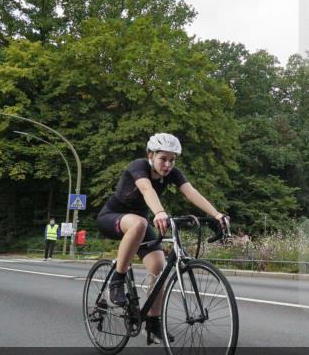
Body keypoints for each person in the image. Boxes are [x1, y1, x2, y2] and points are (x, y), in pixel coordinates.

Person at [95, 133, 229, 343]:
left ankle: (153, 323)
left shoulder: (172, 174)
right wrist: (159, 212)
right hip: (112, 217)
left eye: (172, 160)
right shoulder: (137, 166)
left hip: (139, 223)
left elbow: (191, 192)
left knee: (159, 267)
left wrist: (217, 214)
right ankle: (117, 279)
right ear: (151, 155)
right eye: (163, 159)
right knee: (140, 222)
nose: (168, 164)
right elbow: (147, 190)